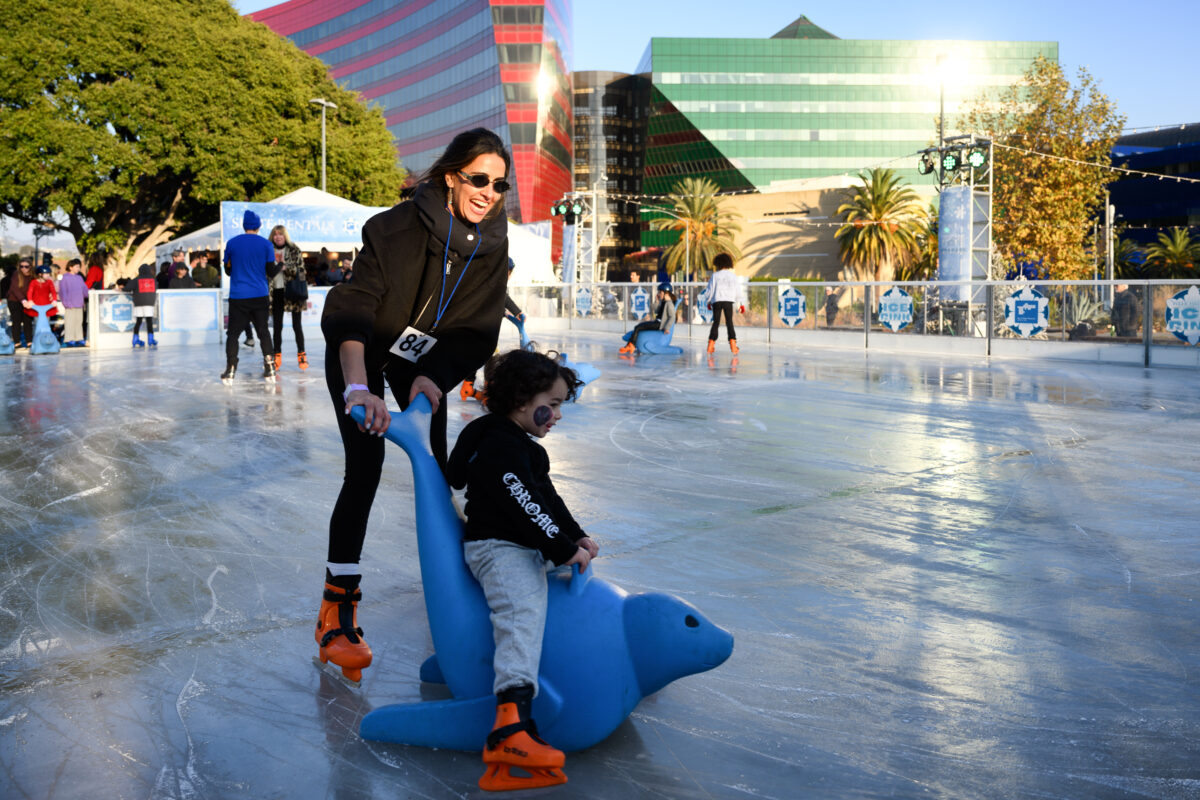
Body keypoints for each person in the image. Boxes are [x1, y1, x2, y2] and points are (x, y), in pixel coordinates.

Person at [315, 127, 513, 684]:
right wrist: (359, 389)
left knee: (437, 466)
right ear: (451, 177)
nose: (488, 193)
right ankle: (337, 609)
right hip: (363, 346)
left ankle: (458, 594)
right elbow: (354, 307)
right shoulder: (396, 228)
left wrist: (435, 379)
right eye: (478, 179)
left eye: (499, 185)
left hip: (423, 359)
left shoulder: (493, 244)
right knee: (365, 468)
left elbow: (478, 330)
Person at [445, 349, 595, 791]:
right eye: (554, 403)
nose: (559, 415)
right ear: (522, 399)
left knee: (551, 595)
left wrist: (576, 536)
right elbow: (525, 504)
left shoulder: (510, 442)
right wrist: (561, 548)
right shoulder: (501, 446)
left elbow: (547, 498)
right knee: (521, 615)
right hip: (500, 549)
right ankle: (510, 730)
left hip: (516, 543)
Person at [221, 210, 280, 383]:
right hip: (260, 294)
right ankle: (270, 367)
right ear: (259, 226)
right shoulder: (266, 244)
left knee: (233, 334)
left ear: (244, 225)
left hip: (238, 295)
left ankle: (230, 369)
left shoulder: (232, 243)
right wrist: (280, 266)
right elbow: (270, 271)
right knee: (263, 331)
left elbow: (228, 270)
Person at [267, 224, 308, 371]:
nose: (278, 237)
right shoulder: (268, 250)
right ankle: (276, 355)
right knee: (277, 327)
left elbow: (302, 271)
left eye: (281, 234)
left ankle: (302, 354)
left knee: (297, 326)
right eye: (275, 234)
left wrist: (287, 268)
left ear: (285, 236)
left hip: (292, 290)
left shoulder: (294, 249)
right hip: (276, 292)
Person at [705, 252, 745, 354]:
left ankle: (710, 345)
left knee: (716, 323)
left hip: (717, 301)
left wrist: (708, 301)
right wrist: (741, 303)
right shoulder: (732, 276)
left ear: (717, 263)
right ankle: (733, 346)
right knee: (729, 322)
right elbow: (738, 291)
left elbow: (710, 290)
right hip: (728, 301)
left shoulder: (715, 276)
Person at [619, 283, 675, 353]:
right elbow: (656, 311)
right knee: (639, 326)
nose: (658, 294)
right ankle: (629, 345)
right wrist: (657, 301)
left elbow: (672, 316)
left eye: (660, 292)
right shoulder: (664, 302)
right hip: (657, 322)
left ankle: (631, 346)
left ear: (665, 293)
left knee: (638, 328)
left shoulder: (669, 304)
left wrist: (667, 328)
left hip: (659, 324)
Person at [58, 258, 89, 346]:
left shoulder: (79, 278)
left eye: (79, 267)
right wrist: (66, 303)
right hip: (70, 305)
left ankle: (79, 338)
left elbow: (84, 289)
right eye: (77, 267)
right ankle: (69, 339)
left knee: (79, 322)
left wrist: (89, 294)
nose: (78, 269)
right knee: (70, 322)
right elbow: (63, 292)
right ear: (70, 267)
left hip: (79, 304)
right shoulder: (65, 277)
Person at [126, 263, 158, 347]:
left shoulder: (137, 279)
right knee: (149, 321)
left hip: (139, 303)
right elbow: (156, 287)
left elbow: (127, 288)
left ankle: (135, 339)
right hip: (149, 303)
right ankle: (150, 339)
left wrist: (121, 288)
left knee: (139, 321)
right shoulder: (153, 280)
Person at [23, 264, 59, 338]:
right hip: (36, 306)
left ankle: (46, 339)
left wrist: (54, 300)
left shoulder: (49, 282)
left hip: (46, 306)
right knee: (37, 323)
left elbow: (53, 292)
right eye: (46, 274)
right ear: (40, 274)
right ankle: (36, 338)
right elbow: (30, 292)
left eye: (49, 273)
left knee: (46, 323)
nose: (48, 275)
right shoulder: (33, 282)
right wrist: (30, 300)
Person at [6, 257, 34, 349]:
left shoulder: (33, 275)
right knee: (16, 321)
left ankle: (29, 341)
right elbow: (15, 289)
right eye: (21, 266)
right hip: (14, 301)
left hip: (27, 301)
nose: (23, 268)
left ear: (30, 266)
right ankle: (17, 342)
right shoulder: (16, 274)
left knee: (27, 321)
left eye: (26, 266)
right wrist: (23, 300)